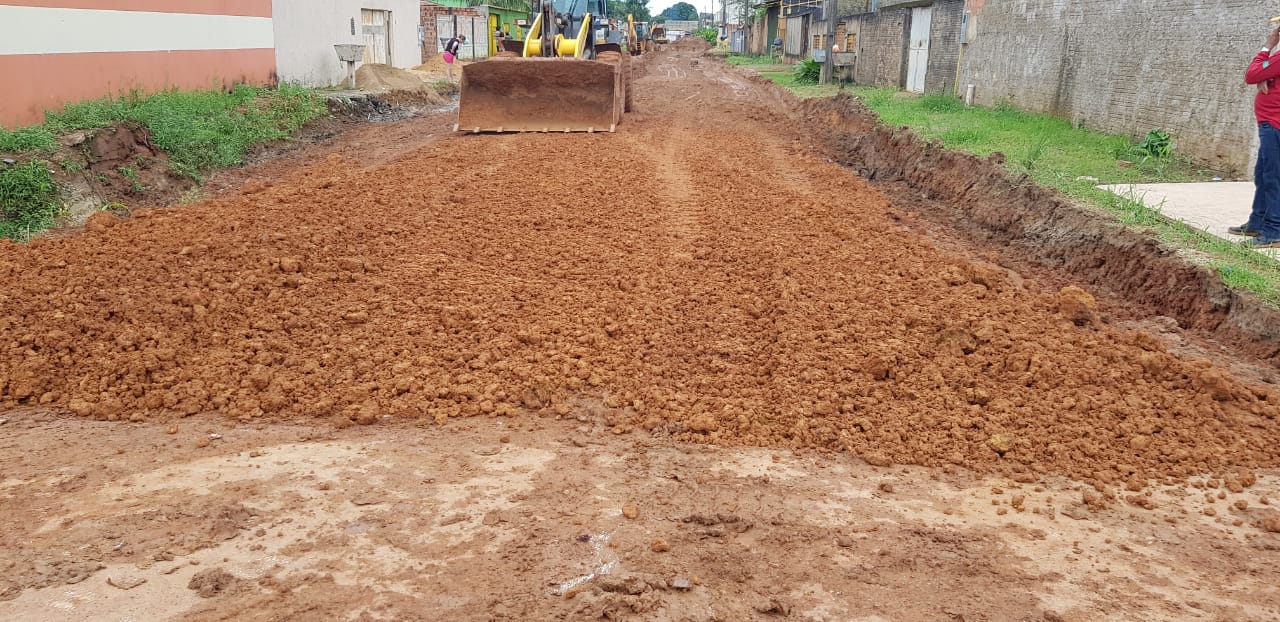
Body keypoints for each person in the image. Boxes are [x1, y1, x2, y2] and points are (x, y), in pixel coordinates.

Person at [1239, 26, 1280, 247]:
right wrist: (1266, 76)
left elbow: (1251, 74)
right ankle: (1258, 222)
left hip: (1275, 125)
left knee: (1273, 178)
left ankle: (1274, 230)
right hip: (1270, 124)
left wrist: (1267, 46)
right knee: (1263, 175)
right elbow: (1259, 75)